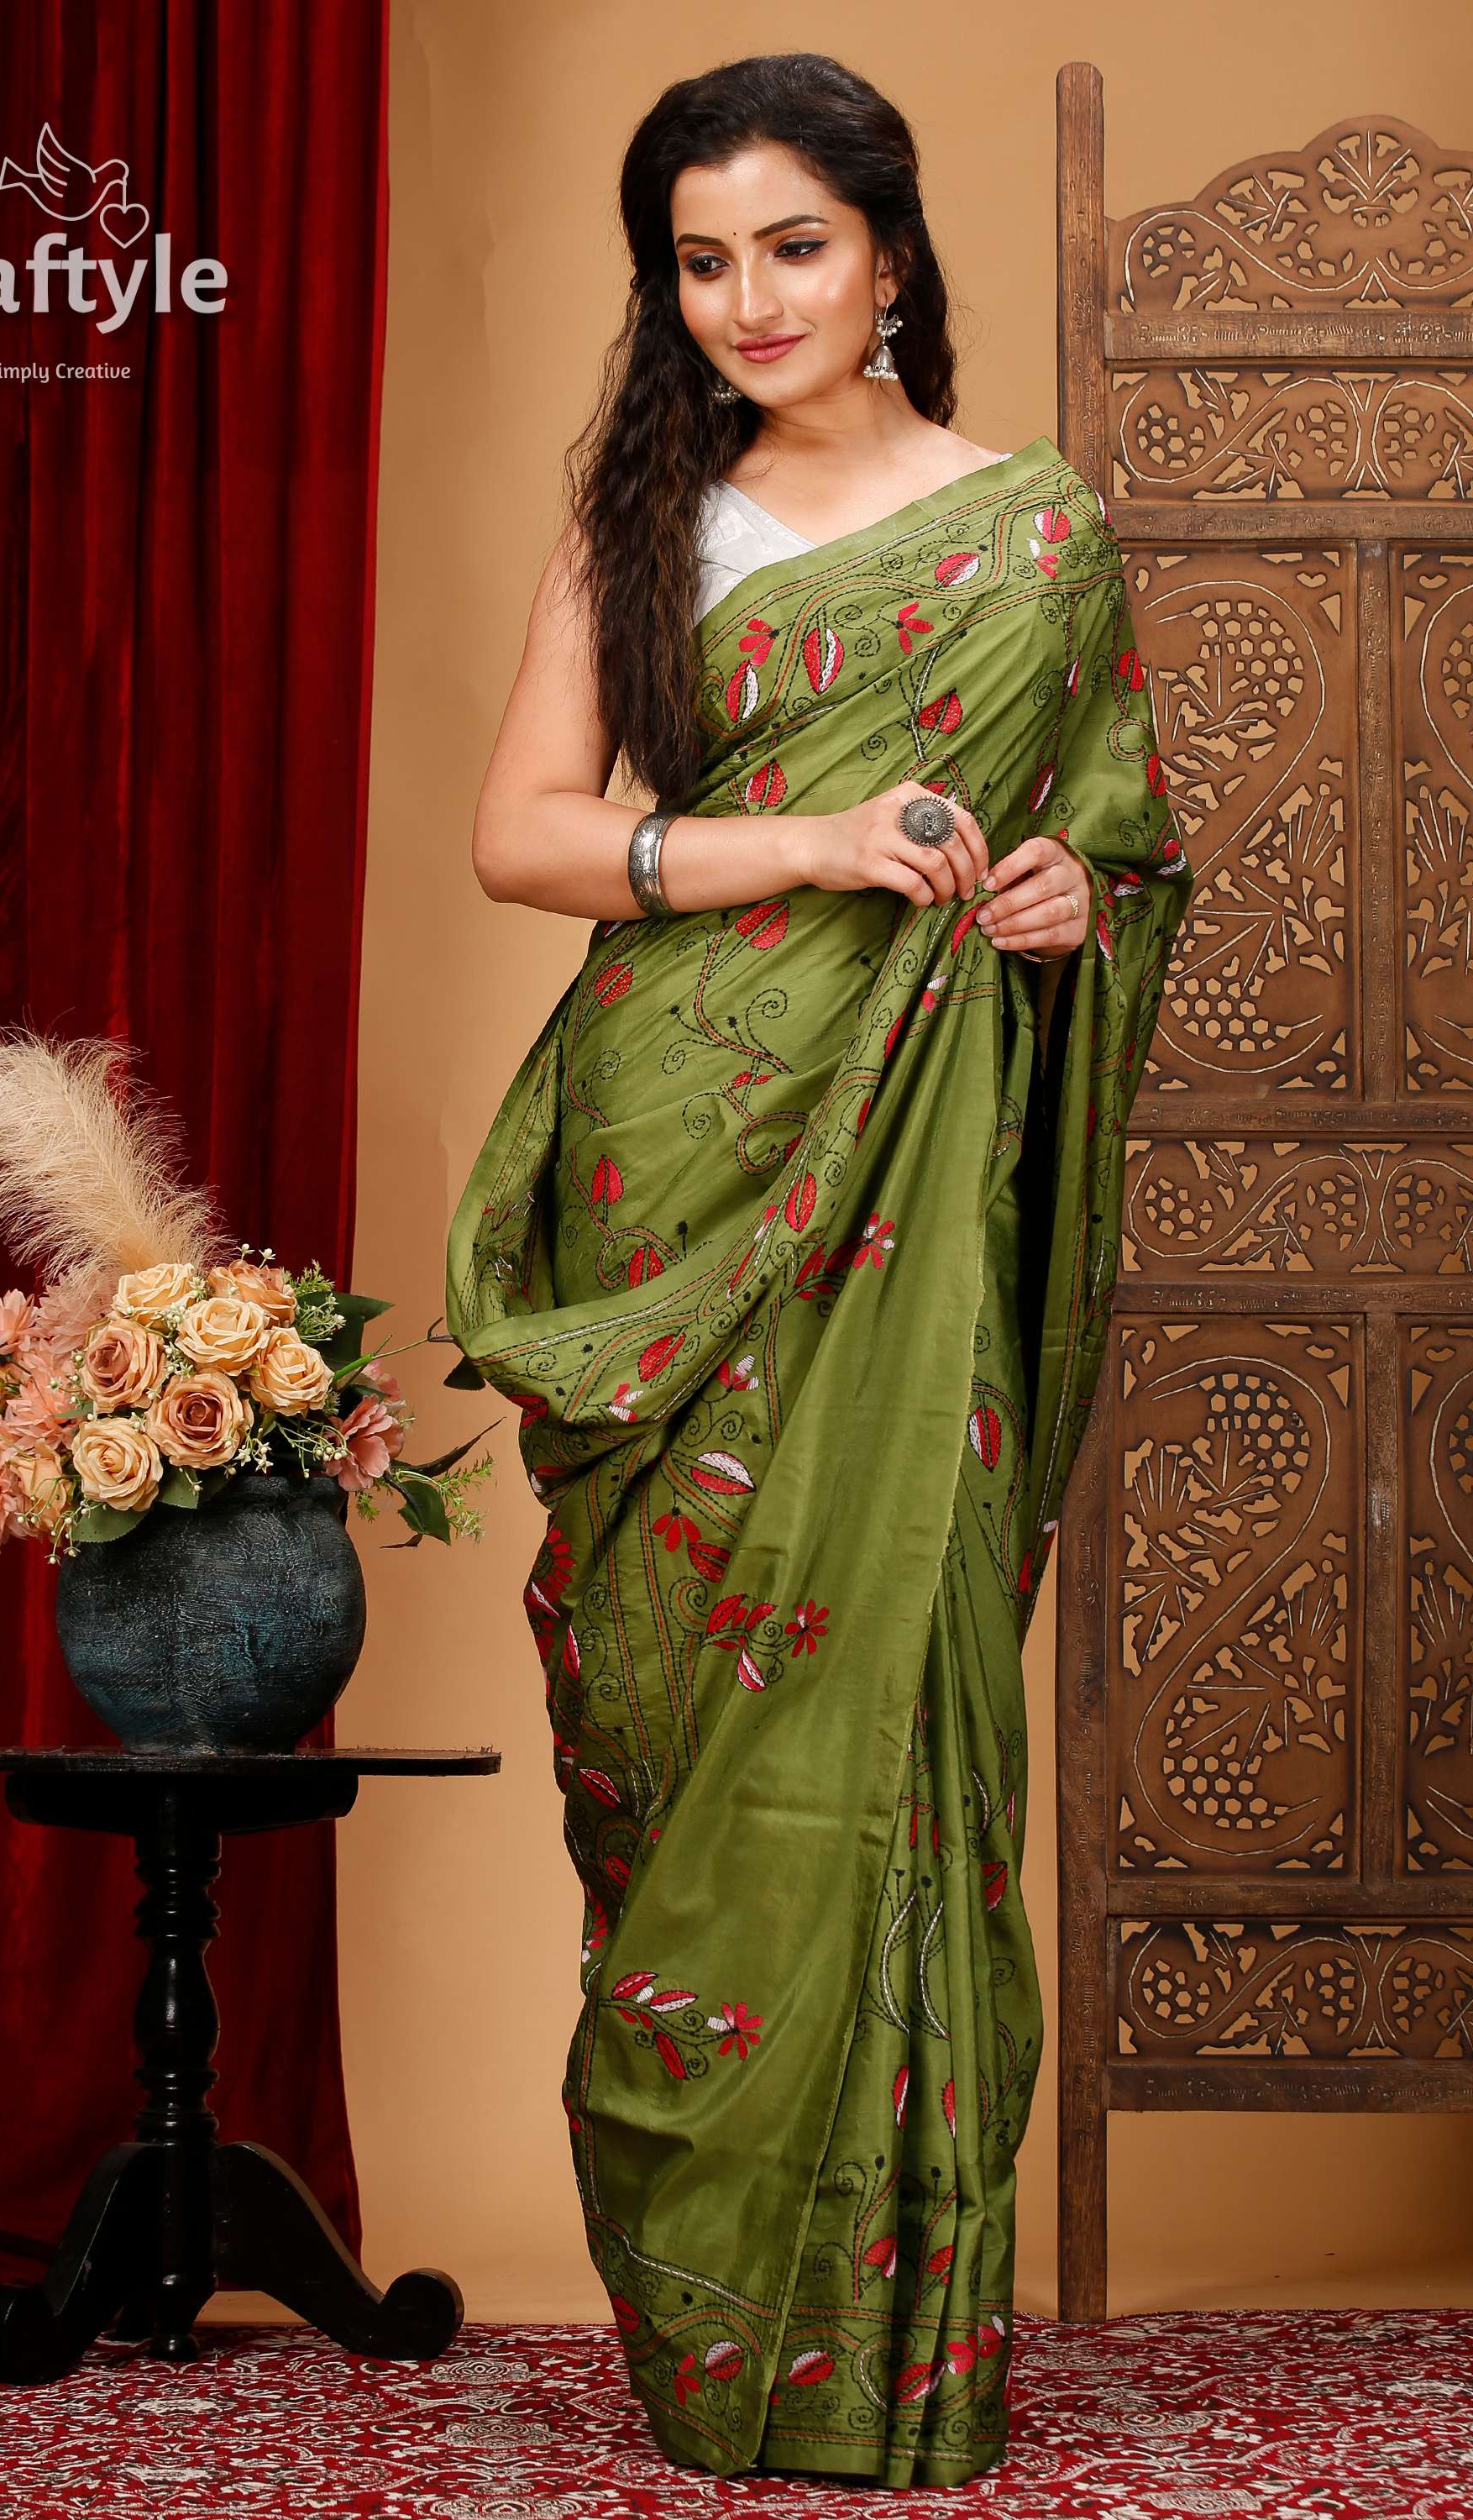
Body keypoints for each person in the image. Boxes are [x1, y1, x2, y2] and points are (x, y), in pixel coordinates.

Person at [443, 50, 1194, 2492]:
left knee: (891, 1685)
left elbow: (1102, 856)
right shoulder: (648, 508)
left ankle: (890, 2354)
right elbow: (527, 840)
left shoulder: (1036, 534)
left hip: (910, 1196)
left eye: (793, 245)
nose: (747, 298)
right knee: (686, 1734)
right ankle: (717, 2335)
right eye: (700, 256)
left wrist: (1068, 909)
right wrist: (802, 850)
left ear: (890, 254)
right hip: (682, 1165)